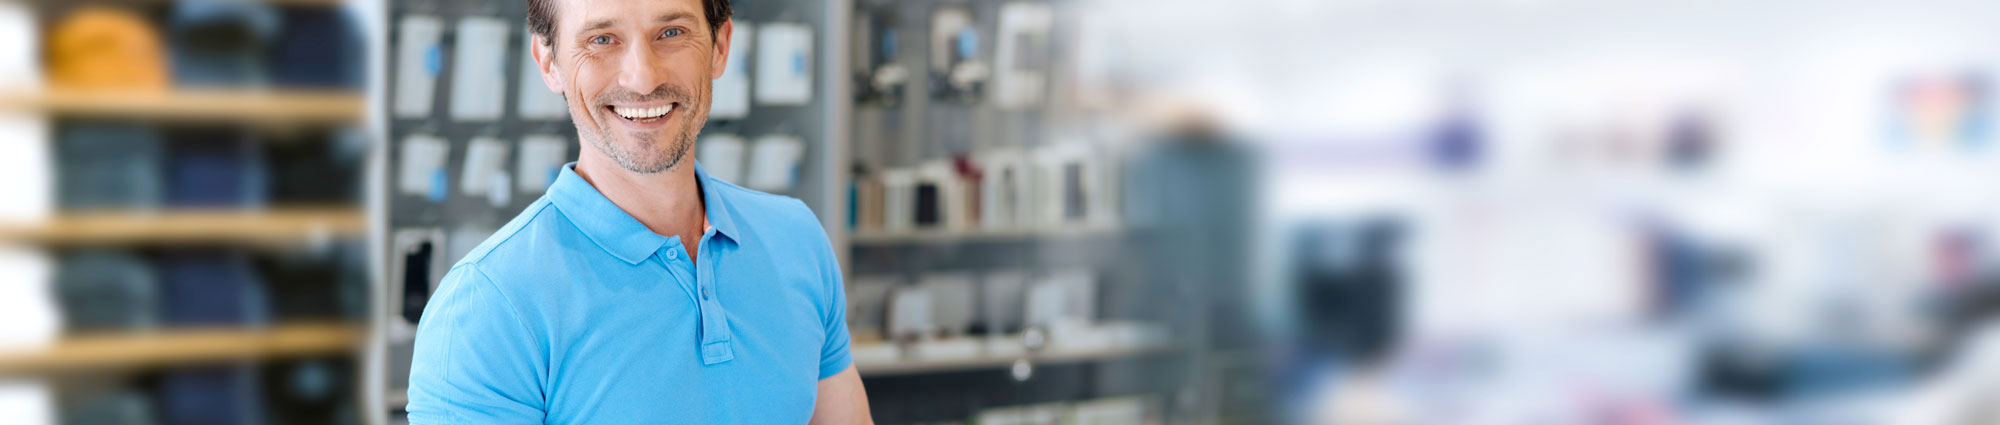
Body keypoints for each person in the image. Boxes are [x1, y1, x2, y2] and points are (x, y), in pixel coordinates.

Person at [404, 0, 873, 423]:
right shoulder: (488, 307)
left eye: (671, 33)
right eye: (601, 40)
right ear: (548, 62)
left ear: (720, 47)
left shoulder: (796, 239)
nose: (643, 77)